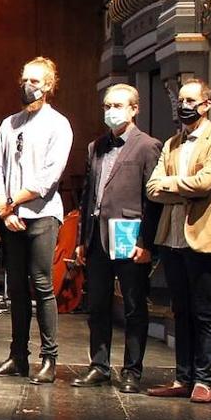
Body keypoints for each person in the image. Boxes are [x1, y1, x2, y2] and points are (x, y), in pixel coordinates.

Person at [146, 79, 211, 404]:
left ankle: (204, 380)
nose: (184, 105)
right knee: (179, 312)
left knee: (203, 313)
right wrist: (181, 187)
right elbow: (152, 188)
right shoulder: (171, 144)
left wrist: (173, 187)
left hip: (202, 238)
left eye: (191, 100)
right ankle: (183, 377)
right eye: (181, 99)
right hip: (171, 239)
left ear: (207, 103)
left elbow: (205, 183)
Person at [72, 84, 163, 393]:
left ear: (134, 109)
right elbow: (87, 197)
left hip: (129, 236)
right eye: (107, 106)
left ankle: (132, 370)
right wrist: (82, 239)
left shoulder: (147, 146)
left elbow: (153, 200)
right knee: (97, 306)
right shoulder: (95, 146)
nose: (111, 111)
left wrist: (146, 243)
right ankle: (99, 365)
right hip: (97, 237)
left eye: (118, 105)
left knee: (134, 306)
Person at [0, 57, 73, 384]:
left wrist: (11, 203)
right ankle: (18, 356)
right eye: (25, 79)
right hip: (11, 216)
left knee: (41, 284)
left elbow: (48, 177)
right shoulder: (9, 124)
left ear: (49, 86)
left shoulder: (58, 124)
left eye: (36, 81)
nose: (28, 85)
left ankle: (49, 358)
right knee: (17, 290)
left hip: (41, 215)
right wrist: (1, 203)